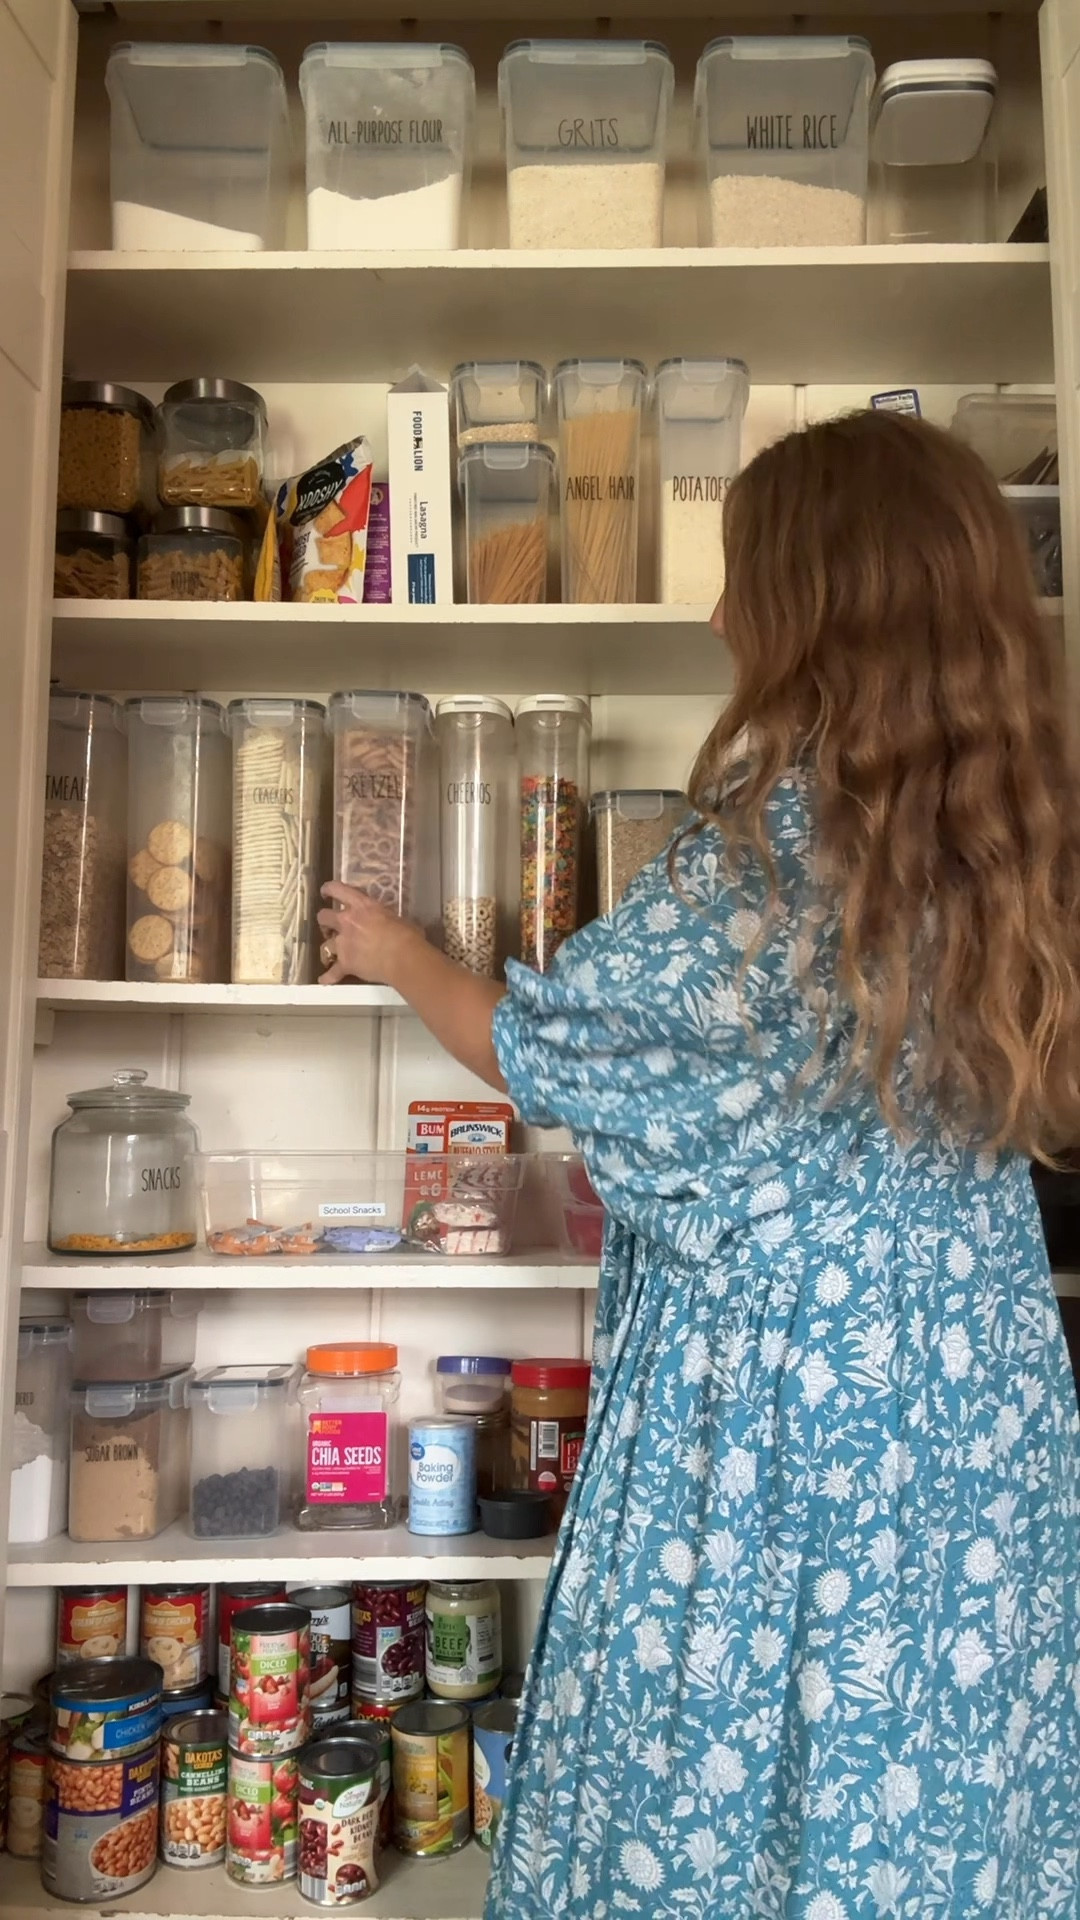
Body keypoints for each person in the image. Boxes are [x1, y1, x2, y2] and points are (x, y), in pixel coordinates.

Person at [318, 411, 1080, 1918]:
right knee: (926, 1769)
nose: (720, 613)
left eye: (744, 581)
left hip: (783, 1418)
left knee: (717, 1771)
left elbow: (534, 1053)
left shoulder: (758, 865)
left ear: (811, 613)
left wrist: (398, 952)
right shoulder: (1018, 847)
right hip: (974, 1402)